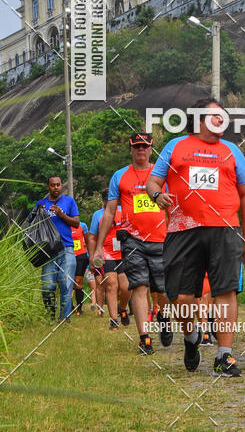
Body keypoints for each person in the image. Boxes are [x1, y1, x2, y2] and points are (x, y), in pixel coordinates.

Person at [146, 99, 245, 377]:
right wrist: (158, 195)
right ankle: (191, 336)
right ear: (200, 119)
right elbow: (153, 182)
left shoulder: (232, 151)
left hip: (225, 229)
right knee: (182, 298)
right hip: (183, 230)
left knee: (225, 292)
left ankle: (224, 356)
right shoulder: (175, 146)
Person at [92, 130, 172, 356]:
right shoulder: (120, 176)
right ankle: (144, 338)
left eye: (145, 146)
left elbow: (175, 205)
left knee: (163, 288)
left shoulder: (162, 175)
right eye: (136, 146)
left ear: (151, 148)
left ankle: (164, 316)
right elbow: (109, 212)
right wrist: (98, 245)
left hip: (161, 239)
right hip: (132, 240)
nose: (141, 150)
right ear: (131, 149)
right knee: (139, 286)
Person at [35, 175, 80, 321]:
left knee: (66, 285)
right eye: (52, 185)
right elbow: (33, 225)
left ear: (61, 186)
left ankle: (64, 319)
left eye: (58, 185)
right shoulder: (41, 204)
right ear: (48, 187)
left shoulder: (69, 201)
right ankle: (50, 316)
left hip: (67, 248)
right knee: (48, 287)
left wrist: (61, 214)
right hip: (48, 251)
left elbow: (76, 223)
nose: (55, 187)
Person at [88, 191, 128, 330]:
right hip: (106, 254)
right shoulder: (98, 215)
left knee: (126, 287)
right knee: (111, 285)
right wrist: (92, 257)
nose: (109, 202)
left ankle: (122, 308)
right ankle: (114, 320)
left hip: (123, 252)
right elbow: (92, 237)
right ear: (103, 201)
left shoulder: (123, 211)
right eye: (106, 200)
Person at [72, 220, 90, 316]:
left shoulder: (82, 225)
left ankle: (79, 308)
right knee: (68, 282)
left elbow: (88, 240)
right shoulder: (62, 225)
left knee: (78, 281)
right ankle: (69, 307)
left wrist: (90, 254)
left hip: (80, 256)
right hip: (68, 255)